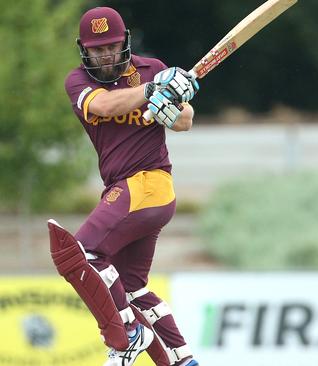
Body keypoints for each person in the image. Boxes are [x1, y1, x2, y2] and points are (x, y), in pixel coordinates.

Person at [52, 6, 200, 366]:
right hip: (126, 191)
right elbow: (104, 106)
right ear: (83, 49)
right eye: (96, 49)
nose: (104, 55)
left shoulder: (152, 67)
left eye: (111, 46)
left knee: (83, 252)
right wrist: (152, 91)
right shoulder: (79, 82)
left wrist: (174, 108)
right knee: (133, 288)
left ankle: (129, 335)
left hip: (149, 182)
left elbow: (186, 121)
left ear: (125, 43)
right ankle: (182, 360)